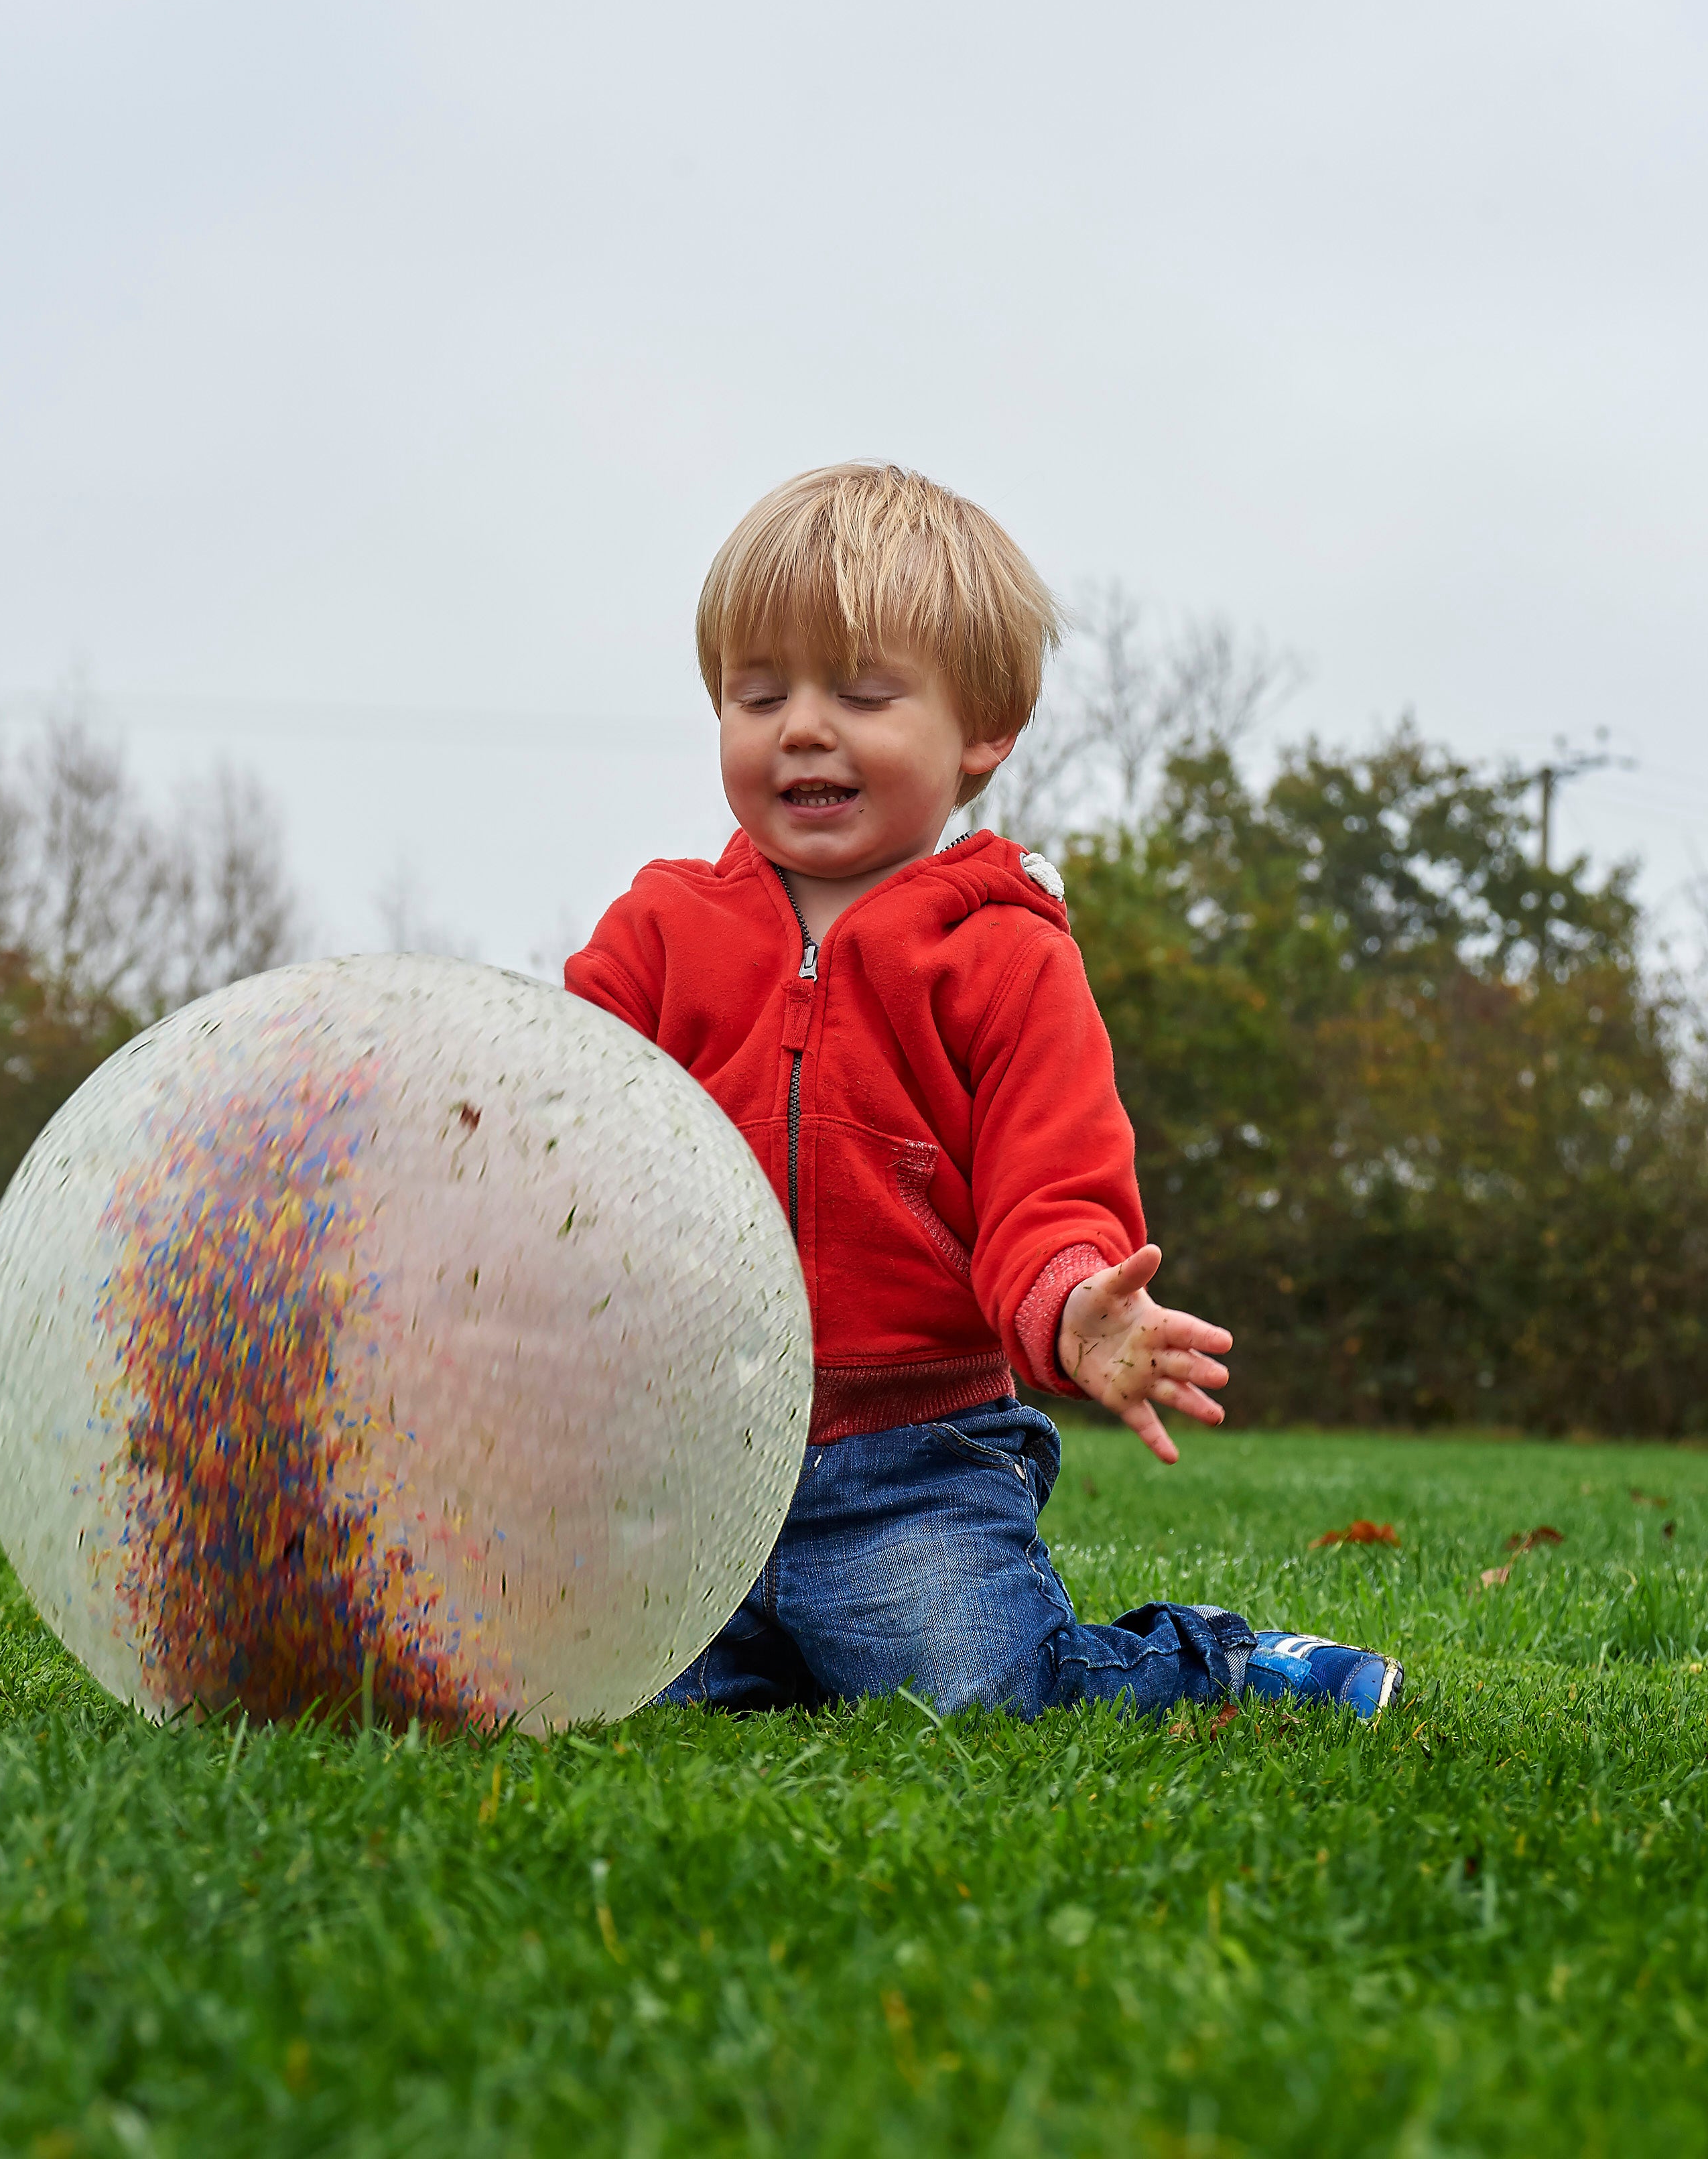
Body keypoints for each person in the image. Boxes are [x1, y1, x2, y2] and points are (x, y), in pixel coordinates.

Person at [565, 462, 1402, 1721]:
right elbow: (557, 1113)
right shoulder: (660, 931)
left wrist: (1073, 1306)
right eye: (758, 693)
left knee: (979, 1691)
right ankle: (773, 1655)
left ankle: (1222, 1663)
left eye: (860, 693)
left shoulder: (1006, 958)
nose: (801, 726)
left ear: (984, 732)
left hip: (911, 1464)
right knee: (604, 1697)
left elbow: (1050, 1190)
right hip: (680, 1464)